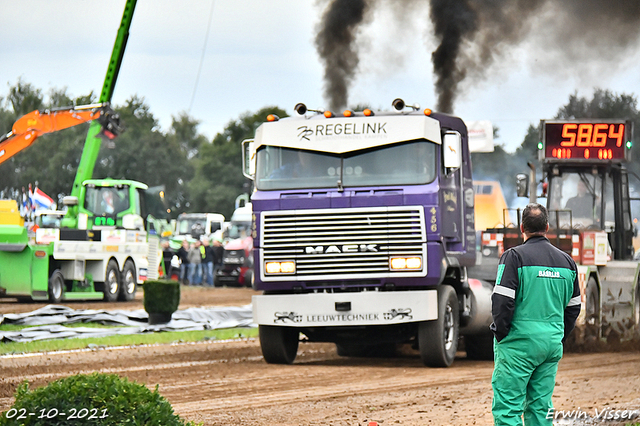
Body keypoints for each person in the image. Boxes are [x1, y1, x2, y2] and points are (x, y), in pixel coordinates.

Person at [491, 203, 581, 426]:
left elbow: (502, 301)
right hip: (550, 344)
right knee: (541, 408)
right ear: (547, 227)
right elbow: (574, 307)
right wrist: (558, 336)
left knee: (508, 408)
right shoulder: (567, 262)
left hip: (519, 345)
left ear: (522, 227)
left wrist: (501, 333)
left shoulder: (513, 257)